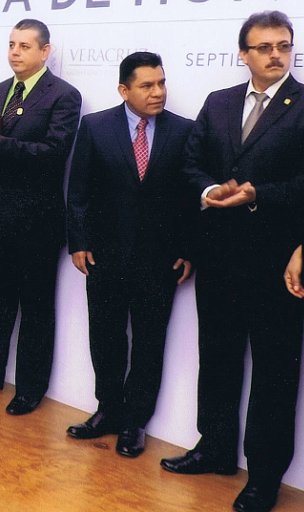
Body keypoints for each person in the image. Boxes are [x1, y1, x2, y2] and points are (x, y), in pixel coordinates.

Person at [160, 11, 304, 512]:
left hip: (279, 265)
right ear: (243, 53)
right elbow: (190, 162)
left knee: (274, 373)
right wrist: (209, 190)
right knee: (217, 357)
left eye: (283, 45)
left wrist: (258, 193)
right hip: (218, 257)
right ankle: (215, 449)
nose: (275, 55)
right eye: (264, 47)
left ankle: (264, 477)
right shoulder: (219, 102)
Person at [65, 52, 194, 458]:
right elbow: (78, 191)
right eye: (147, 85)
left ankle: (135, 422)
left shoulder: (184, 131)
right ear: (124, 90)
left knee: (149, 342)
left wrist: (187, 249)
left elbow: (190, 198)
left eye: (161, 83)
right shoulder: (95, 126)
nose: (158, 92)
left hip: (159, 261)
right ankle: (108, 410)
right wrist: (79, 242)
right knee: (105, 336)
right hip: (104, 256)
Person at [0, 19, 81, 416]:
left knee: (35, 310)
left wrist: (1, 143)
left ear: (45, 51)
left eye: (24, 45)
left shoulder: (64, 95)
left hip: (36, 223)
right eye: (11, 44)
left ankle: (29, 388)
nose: (15, 52)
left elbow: (55, 153)